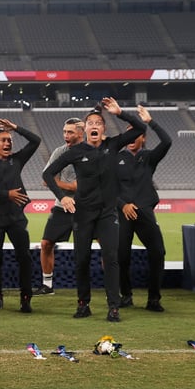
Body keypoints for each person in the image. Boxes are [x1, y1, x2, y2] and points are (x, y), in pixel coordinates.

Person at [43, 98, 145, 322]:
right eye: (90, 123)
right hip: (83, 214)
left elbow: (140, 128)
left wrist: (120, 112)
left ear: (103, 129)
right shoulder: (75, 151)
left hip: (108, 214)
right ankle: (83, 304)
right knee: (82, 259)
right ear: (85, 129)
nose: (94, 125)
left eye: (98, 122)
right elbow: (47, 174)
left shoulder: (113, 145)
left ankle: (113, 306)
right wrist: (63, 198)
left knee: (110, 258)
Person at [0, 118, 41, 313]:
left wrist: (15, 127)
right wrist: (7, 194)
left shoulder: (17, 160)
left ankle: (26, 299)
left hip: (16, 219)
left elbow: (35, 141)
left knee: (24, 258)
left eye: (9, 140)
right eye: (3, 140)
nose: (7, 143)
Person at [115, 105, 171, 312]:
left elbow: (167, 141)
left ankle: (154, 299)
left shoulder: (149, 158)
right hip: (122, 213)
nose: (132, 137)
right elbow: (109, 189)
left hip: (145, 212)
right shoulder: (115, 157)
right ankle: (126, 295)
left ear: (143, 138)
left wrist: (150, 122)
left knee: (158, 252)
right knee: (122, 256)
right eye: (129, 133)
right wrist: (123, 205)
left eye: (136, 134)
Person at [35, 117, 84, 295]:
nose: (66, 135)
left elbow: (85, 185)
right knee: (46, 243)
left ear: (81, 133)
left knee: (106, 244)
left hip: (86, 207)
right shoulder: (59, 152)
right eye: (64, 131)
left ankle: (111, 283)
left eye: (70, 132)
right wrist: (67, 191)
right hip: (62, 205)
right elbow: (46, 180)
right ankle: (47, 285)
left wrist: (63, 184)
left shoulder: (89, 151)